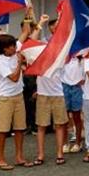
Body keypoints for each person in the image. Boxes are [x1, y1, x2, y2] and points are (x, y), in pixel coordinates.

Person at [0, 33, 33, 170]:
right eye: (12, 46)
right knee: (3, 130)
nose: (15, 47)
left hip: (18, 96)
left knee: (19, 128)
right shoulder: (0, 61)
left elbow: (25, 34)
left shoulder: (15, 51)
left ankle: (19, 157)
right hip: (6, 98)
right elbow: (15, 78)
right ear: (5, 49)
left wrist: (28, 14)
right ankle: (0, 159)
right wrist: (19, 63)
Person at [32, 17, 68, 166]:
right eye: (52, 26)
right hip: (43, 92)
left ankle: (60, 153)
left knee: (59, 125)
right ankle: (40, 154)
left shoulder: (64, 47)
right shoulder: (42, 45)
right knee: (41, 125)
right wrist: (40, 23)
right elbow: (32, 40)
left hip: (57, 91)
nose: (55, 29)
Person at [61, 55, 85, 154]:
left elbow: (85, 73)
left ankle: (78, 142)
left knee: (76, 116)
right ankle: (65, 142)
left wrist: (83, 80)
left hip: (76, 87)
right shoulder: (63, 56)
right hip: (64, 86)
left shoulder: (81, 58)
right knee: (64, 117)